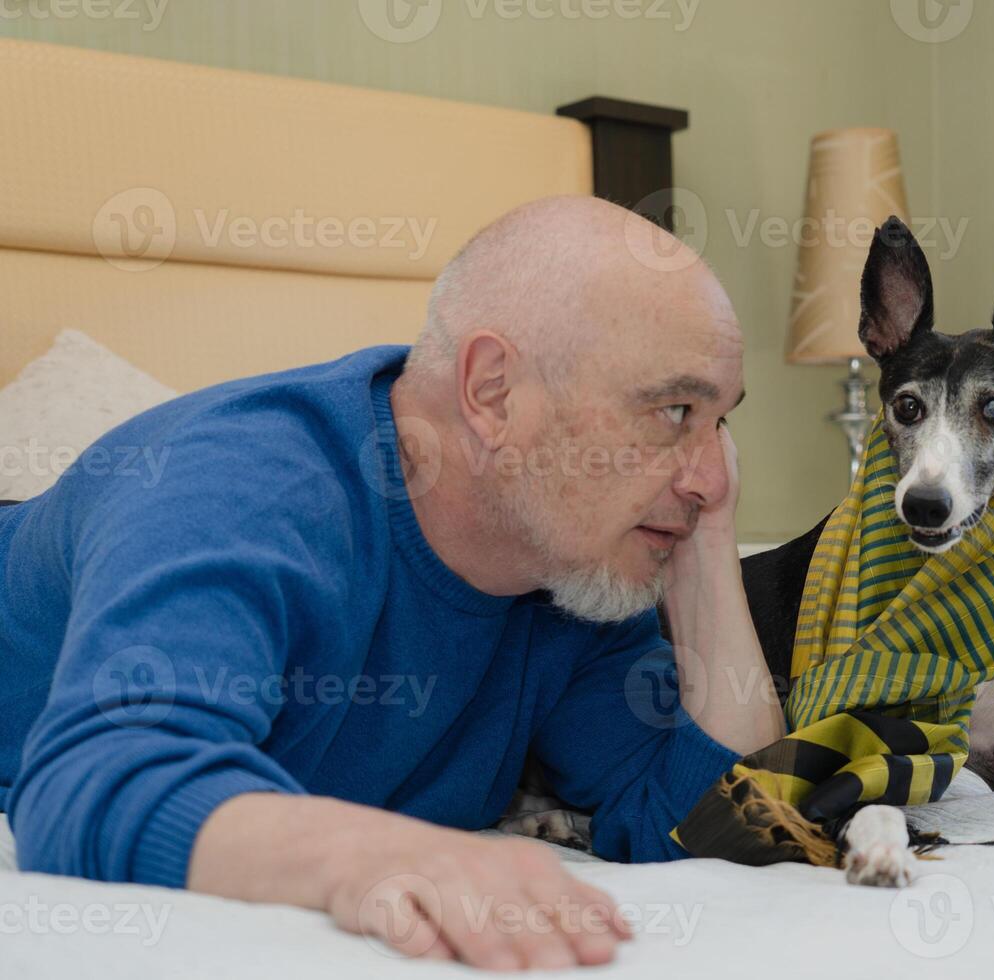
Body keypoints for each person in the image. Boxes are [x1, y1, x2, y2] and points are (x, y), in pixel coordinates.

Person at [0, 196, 784, 971]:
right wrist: (380, 856)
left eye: (722, 423)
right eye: (674, 409)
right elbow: (92, 784)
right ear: (493, 392)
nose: (713, 476)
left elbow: (718, 825)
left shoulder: (573, 570)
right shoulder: (240, 491)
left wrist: (705, 546)